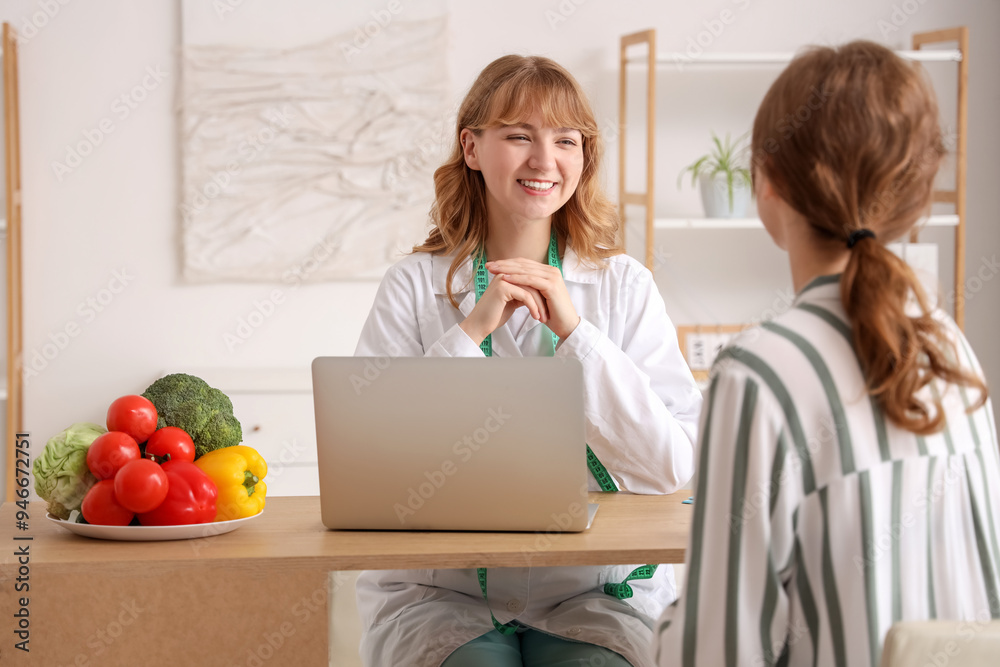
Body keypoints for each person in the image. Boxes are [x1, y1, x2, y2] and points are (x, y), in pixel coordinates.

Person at [653, 40, 998, 667]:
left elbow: (716, 652)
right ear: (910, 194)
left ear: (769, 179)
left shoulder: (758, 373)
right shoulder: (951, 346)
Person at [353, 55, 702, 667]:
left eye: (566, 141)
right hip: (443, 594)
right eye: (519, 136)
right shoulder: (412, 285)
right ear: (471, 147)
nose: (545, 161)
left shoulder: (624, 286)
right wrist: (472, 328)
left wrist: (576, 333)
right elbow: (374, 464)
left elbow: (669, 466)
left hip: (597, 592)